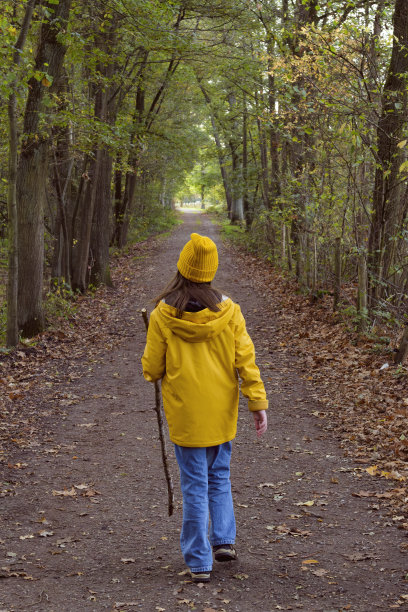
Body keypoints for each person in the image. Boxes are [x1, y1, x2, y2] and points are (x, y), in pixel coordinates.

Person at [141, 233, 268, 583]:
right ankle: (223, 540)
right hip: (220, 411)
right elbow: (246, 361)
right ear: (211, 272)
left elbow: (152, 370)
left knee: (194, 484)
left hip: (185, 415)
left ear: (182, 268)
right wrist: (257, 402)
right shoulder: (229, 311)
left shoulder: (163, 314)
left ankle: (199, 561)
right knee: (220, 475)